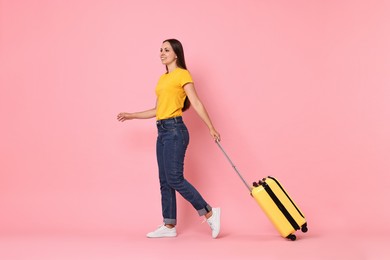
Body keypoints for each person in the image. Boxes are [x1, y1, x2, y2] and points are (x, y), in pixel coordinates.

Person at [117, 39, 221, 239]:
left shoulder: (183, 74)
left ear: (176, 54)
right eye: (160, 50)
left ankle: (209, 212)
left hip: (175, 131)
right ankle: (169, 225)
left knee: (174, 178)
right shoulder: (162, 79)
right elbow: (157, 110)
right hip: (162, 131)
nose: (162, 53)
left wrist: (211, 127)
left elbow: (197, 102)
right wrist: (132, 115)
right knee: (165, 180)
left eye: (166, 50)